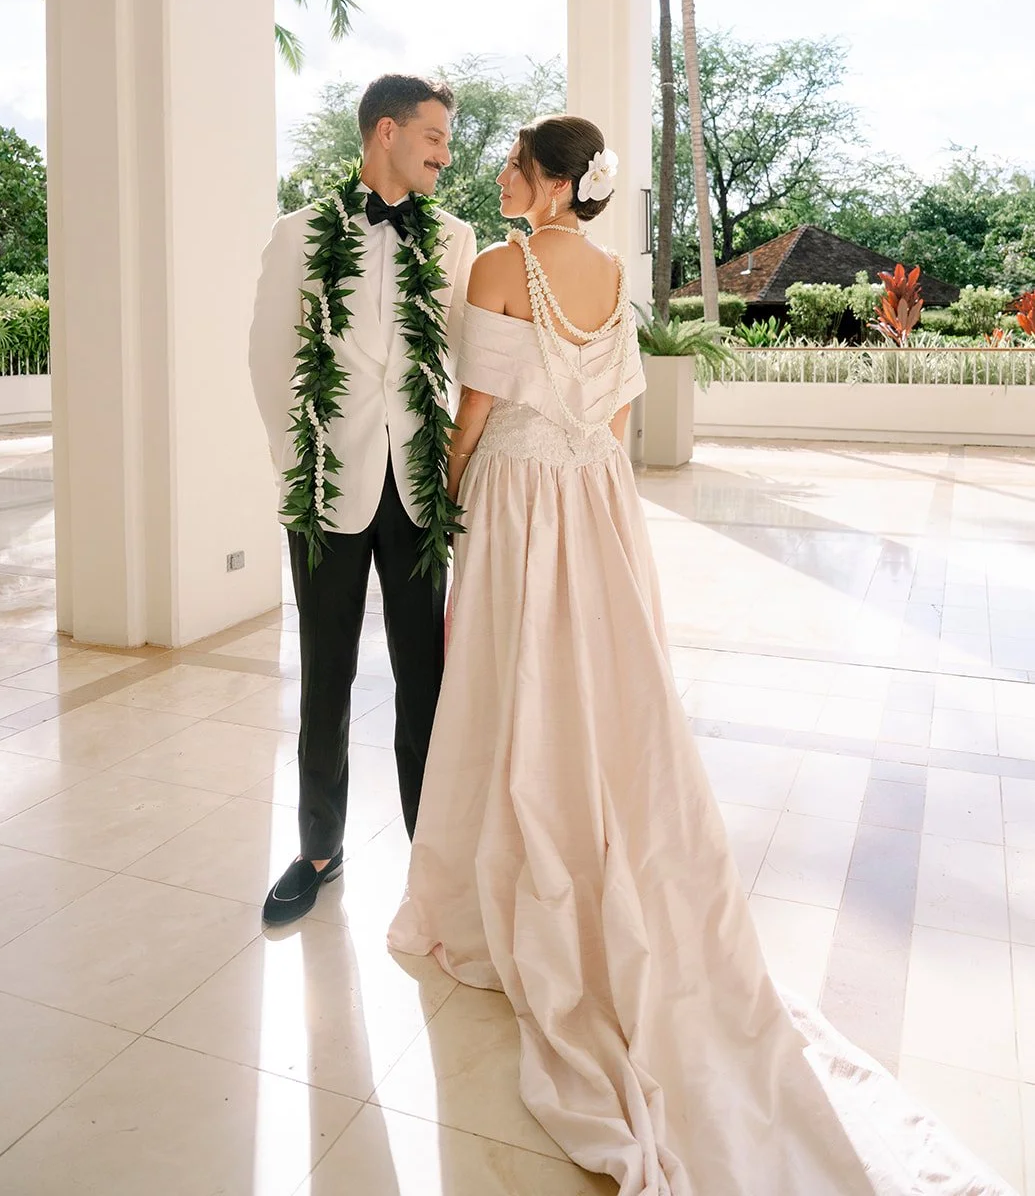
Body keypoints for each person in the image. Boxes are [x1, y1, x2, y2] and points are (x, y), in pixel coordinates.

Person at [388, 114, 1016, 1196]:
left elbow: (478, 407)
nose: (495, 171)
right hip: (594, 502)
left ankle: (508, 863)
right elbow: (620, 412)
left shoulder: (501, 263)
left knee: (505, 681)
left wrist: (444, 494)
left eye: (511, 160)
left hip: (522, 499)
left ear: (544, 183)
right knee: (598, 681)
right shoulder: (613, 274)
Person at [250, 74, 476, 927]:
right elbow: (268, 360)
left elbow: (469, 358)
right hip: (327, 487)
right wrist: (300, 467)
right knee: (326, 674)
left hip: (417, 489)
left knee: (427, 679)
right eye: (434, 138)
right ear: (387, 130)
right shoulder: (298, 233)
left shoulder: (453, 240)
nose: (445, 155)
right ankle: (317, 848)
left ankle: (433, 853)